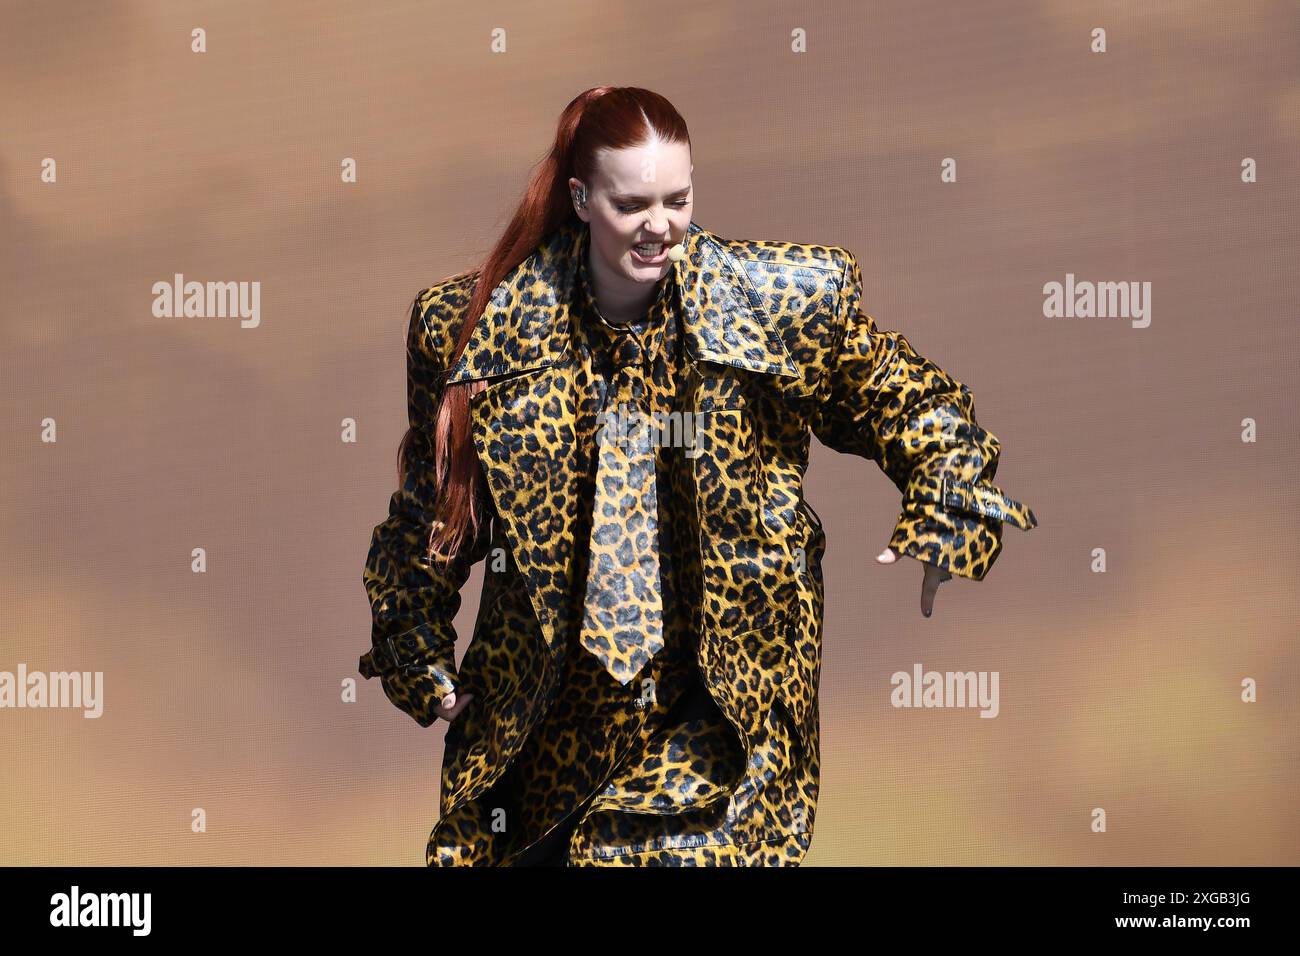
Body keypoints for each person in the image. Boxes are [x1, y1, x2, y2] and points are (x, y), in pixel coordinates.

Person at [359, 87, 1038, 866]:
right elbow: (432, 517)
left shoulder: (781, 304)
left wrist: (947, 503)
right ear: (580, 200)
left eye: (677, 199)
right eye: (633, 203)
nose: (660, 225)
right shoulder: (474, 327)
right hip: (541, 731)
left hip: (714, 722)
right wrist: (418, 655)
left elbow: (910, 400)